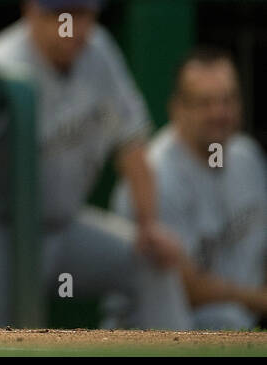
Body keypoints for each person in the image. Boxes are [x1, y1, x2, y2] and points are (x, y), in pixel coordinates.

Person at [0, 0, 192, 329]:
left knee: (151, 263)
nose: (73, 27)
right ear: (31, 12)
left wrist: (148, 224)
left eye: (82, 14)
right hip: (3, 235)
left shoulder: (98, 51)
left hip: (65, 228)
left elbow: (131, 141)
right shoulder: (0, 64)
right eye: (60, 14)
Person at [109, 47, 267, 330]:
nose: (219, 113)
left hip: (236, 321)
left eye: (228, 100)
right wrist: (258, 299)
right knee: (224, 320)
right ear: (177, 109)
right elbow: (186, 288)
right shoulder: (157, 173)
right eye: (205, 103)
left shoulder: (247, 156)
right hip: (149, 332)